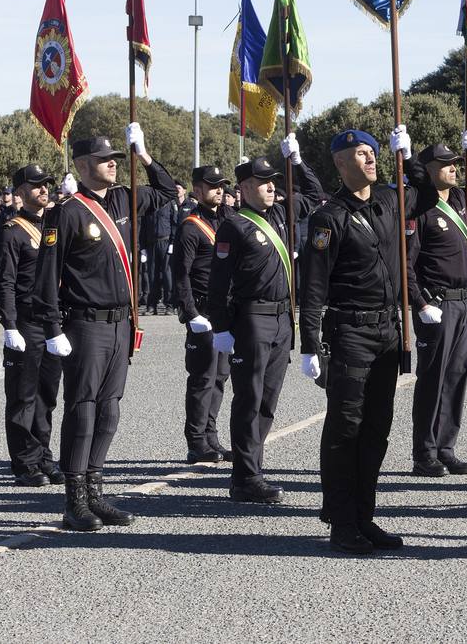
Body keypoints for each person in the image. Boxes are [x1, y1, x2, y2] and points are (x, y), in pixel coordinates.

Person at [32, 125, 177, 531]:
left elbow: (167, 192)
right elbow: (47, 275)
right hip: (85, 324)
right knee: (82, 409)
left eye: (115, 158)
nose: (112, 163)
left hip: (120, 323)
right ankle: (74, 498)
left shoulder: (125, 199)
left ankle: (96, 489)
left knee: (109, 411)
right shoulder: (67, 211)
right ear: (81, 166)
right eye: (102, 159)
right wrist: (51, 327)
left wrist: (144, 155)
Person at [298, 125, 434, 554]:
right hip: (350, 333)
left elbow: (427, 194)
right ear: (340, 164)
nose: (371, 159)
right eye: (360, 153)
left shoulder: (390, 200)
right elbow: (314, 286)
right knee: (346, 429)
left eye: (374, 152)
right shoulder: (329, 217)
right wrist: (310, 344)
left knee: (377, 429)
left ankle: (364, 517)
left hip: (387, 332)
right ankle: (341, 522)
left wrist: (408, 157)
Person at [209, 138, 324, 503]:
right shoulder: (234, 225)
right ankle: (244, 477)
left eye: (274, 179)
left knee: (268, 400)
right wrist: (222, 327)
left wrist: (298, 159)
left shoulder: (282, 212)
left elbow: (316, 194)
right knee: (249, 398)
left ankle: (252, 469)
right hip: (252, 318)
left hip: (281, 319)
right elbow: (218, 282)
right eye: (263, 181)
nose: (272, 186)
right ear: (243, 189)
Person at [406, 131, 467, 478]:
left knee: (457, 376)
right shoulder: (420, 206)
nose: (453, 169)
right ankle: (424, 452)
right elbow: (406, 262)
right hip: (437, 304)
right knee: (432, 378)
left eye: (454, 163)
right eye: (445, 165)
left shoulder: (463, 197)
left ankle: (446, 446)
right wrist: (419, 304)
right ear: (429, 170)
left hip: (464, 302)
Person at [0, 164, 66, 487]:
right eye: (36, 185)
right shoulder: (13, 230)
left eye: (46, 185)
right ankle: (24, 463)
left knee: (47, 395)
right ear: (20, 192)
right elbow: (5, 282)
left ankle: (43, 456)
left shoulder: (54, 224)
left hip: (51, 321)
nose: (43, 190)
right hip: (25, 321)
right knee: (23, 396)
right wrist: (9, 325)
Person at [171, 163, 234, 464]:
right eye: (212, 185)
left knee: (220, 376)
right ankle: (196, 442)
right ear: (197, 190)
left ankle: (211, 437)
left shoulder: (228, 220)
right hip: (203, 312)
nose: (219, 190)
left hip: (224, 313)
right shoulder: (190, 226)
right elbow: (180, 274)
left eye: (221, 185)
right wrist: (190, 313)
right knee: (202, 378)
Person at [143, 194, 177, 316]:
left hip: (166, 242)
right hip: (151, 244)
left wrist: (173, 242)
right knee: (152, 276)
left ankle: (170, 305)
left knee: (168, 276)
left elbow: (174, 223)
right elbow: (143, 226)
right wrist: (142, 247)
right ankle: (151, 305)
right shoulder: (149, 204)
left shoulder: (170, 202)